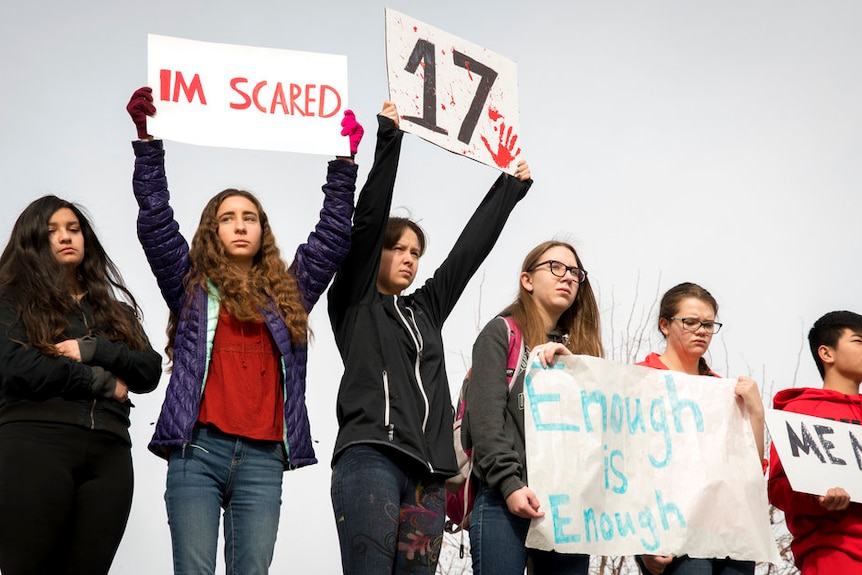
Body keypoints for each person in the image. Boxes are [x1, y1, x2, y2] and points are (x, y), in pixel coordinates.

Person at [126, 86, 363, 575]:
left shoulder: (288, 293)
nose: (239, 225)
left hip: (263, 460)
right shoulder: (190, 285)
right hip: (197, 453)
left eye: (249, 218)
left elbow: (333, 236)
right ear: (212, 231)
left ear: (262, 231)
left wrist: (344, 162)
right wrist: (147, 144)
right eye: (227, 218)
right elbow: (156, 224)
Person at [327, 101, 532, 574]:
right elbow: (367, 224)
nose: (407, 258)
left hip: (431, 476)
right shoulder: (354, 301)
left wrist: (510, 189)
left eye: (415, 252)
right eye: (396, 248)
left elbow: (467, 253)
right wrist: (390, 141)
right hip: (370, 457)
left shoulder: (426, 310)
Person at [0, 195, 162, 575]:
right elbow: (17, 366)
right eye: (51, 231)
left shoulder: (114, 311)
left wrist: (94, 349)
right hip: (35, 442)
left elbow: (148, 370)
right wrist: (100, 380)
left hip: (109, 455)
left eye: (73, 229)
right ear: (32, 241)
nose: (64, 237)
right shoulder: (11, 300)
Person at [464, 240, 603, 575]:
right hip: (503, 499)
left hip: (567, 510)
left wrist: (579, 373)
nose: (568, 277)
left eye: (575, 272)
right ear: (527, 280)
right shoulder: (502, 333)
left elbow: (599, 433)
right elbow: (485, 420)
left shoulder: (582, 354)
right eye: (555, 267)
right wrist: (510, 485)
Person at [636, 282, 764, 575]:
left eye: (708, 324)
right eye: (691, 322)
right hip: (673, 532)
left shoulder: (726, 391)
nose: (702, 330)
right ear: (665, 325)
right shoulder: (639, 379)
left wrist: (756, 413)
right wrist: (642, 542)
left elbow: (751, 470)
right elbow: (628, 467)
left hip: (731, 534)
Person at [768, 310, 862, 573]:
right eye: (858, 341)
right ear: (827, 353)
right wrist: (816, 499)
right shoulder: (799, 412)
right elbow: (778, 488)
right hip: (833, 554)